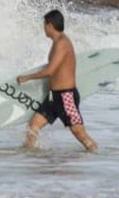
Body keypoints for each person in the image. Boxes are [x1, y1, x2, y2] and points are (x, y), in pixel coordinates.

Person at [17, 10, 97, 152]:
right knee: (33, 127)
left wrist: (27, 77)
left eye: (44, 24)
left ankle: (95, 154)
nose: (43, 28)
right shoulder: (56, 42)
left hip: (66, 97)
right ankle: (28, 157)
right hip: (54, 97)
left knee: (79, 133)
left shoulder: (62, 43)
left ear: (50, 25)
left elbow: (50, 71)